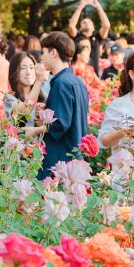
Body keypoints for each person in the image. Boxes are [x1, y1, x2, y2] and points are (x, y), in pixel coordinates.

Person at [24, 32, 89, 179]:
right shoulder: (76, 81)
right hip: (73, 155)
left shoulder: (61, 83)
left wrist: (34, 130)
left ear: (53, 52)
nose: (42, 57)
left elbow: (60, 123)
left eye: (44, 52)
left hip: (60, 158)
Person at [68, 0, 110, 74]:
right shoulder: (76, 37)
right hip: (77, 73)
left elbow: (106, 26)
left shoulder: (98, 38)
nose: (86, 23)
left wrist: (98, 7)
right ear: (80, 27)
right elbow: (71, 26)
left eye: (89, 22)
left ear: (93, 28)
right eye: (84, 22)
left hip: (94, 75)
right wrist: (80, 6)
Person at [4, 52, 47, 121]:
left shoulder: (43, 94)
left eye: (31, 68)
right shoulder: (8, 98)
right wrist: (38, 81)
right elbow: (26, 109)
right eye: (23, 68)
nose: (29, 72)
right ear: (14, 71)